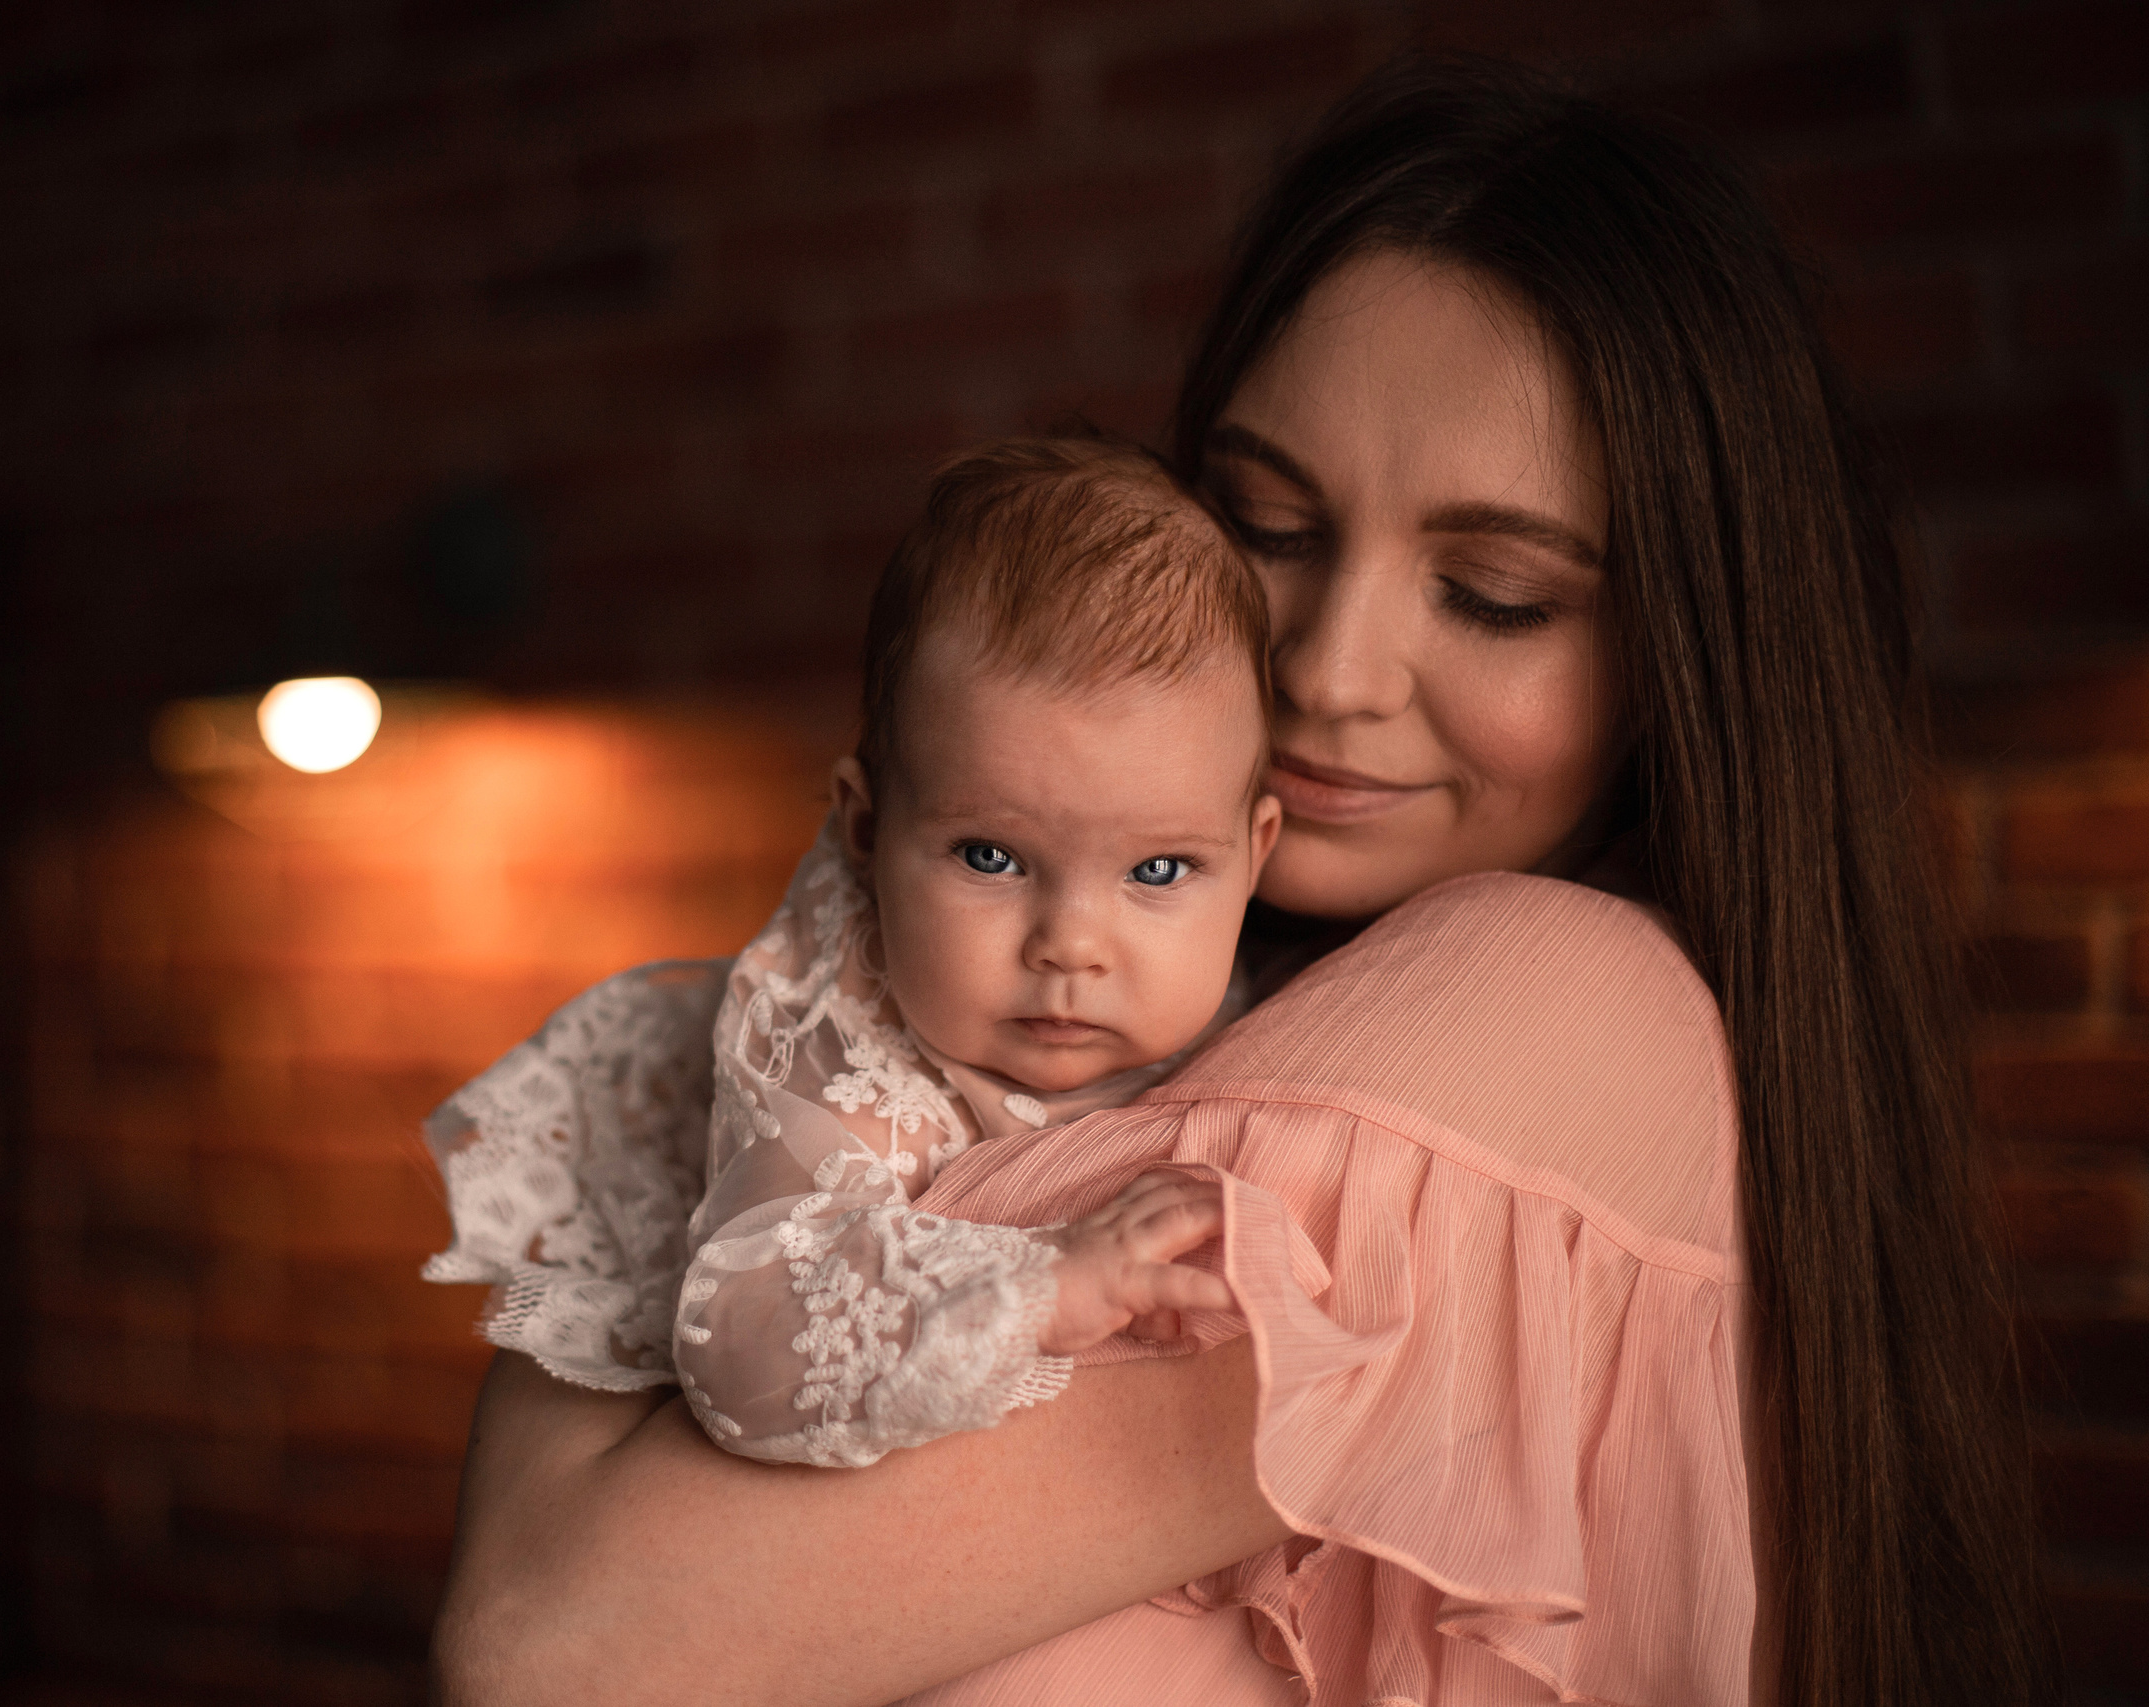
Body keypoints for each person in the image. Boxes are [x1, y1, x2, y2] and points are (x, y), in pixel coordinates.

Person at [430, 60, 2052, 1707]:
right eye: (1268, 525)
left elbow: (551, 1641)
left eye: (1494, 593)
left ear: (1693, 650)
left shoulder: (1542, 1008)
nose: (1326, 670)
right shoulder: (1173, 991)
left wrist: (710, 1103)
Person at [429, 437, 1281, 1468]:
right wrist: (1041, 1290)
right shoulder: (844, 1053)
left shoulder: (1282, 997)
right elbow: (739, 1347)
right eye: (992, 855)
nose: (1071, 944)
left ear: (1252, 854)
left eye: (1156, 873)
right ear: (865, 828)